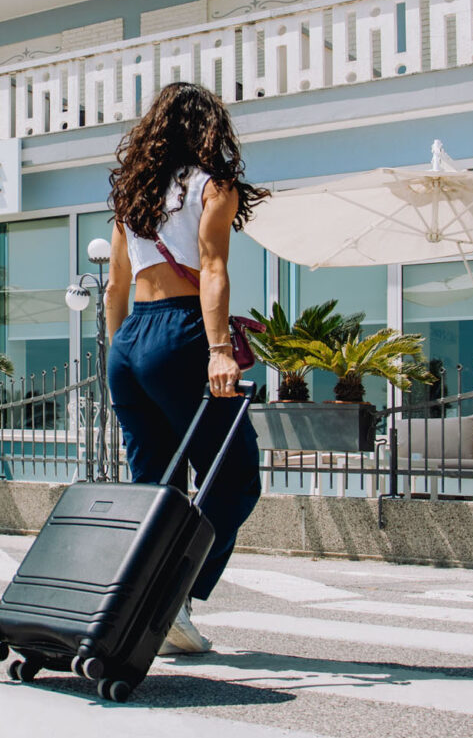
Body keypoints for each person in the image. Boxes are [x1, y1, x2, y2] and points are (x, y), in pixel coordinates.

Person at [105, 82, 270, 655]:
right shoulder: (212, 185)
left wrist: (120, 352)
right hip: (180, 333)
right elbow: (212, 268)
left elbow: (115, 288)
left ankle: (142, 601)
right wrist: (219, 348)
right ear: (210, 129)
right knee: (235, 476)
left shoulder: (132, 196)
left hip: (128, 344)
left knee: (154, 485)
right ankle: (175, 596)